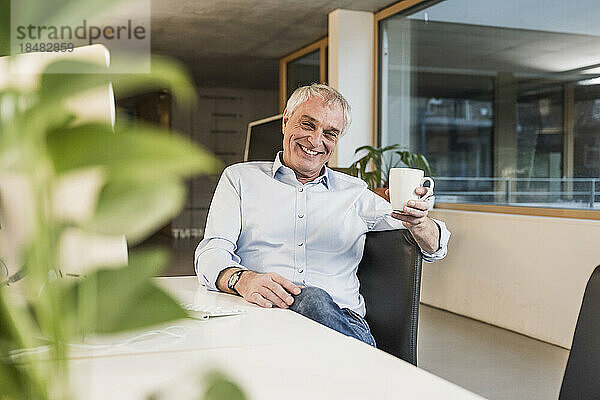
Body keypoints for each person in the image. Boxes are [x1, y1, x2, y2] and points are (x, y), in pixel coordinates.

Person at [195, 84, 450, 346]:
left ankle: (360, 363)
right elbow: (211, 251)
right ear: (286, 121)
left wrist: (419, 222)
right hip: (261, 319)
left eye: (330, 133)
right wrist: (242, 279)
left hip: (338, 322)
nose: (316, 141)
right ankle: (368, 370)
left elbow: (435, 244)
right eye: (307, 125)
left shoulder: (355, 193)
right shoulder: (240, 179)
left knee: (313, 300)